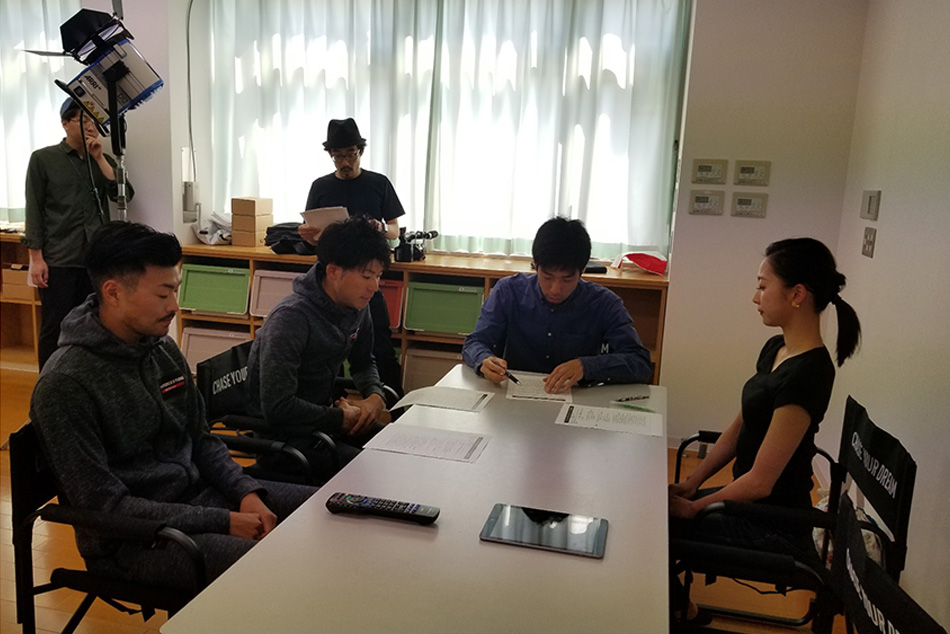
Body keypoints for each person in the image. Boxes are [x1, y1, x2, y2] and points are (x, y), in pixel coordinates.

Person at [29, 221, 316, 591]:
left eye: (175, 291)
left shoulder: (161, 348)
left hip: (200, 501)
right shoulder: (65, 383)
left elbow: (201, 439)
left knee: (323, 511)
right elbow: (104, 506)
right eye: (163, 294)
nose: (174, 307)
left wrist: (245, 492)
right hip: (134, 541)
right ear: (113, 293)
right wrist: (222, 521)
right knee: (283, 571)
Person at [667, 237, 862, 624]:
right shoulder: (777, 348)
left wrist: (696, 507)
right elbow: (741, 424)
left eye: (762, 285)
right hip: (747, 508)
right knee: (652, 514)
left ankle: (679, 613)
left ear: (797, 294)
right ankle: (681, 609)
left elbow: (760, 482)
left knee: (655, 528)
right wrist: (692, 483)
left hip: (774, 524)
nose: (755, 297)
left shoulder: (809, 373)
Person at [247, 217, 392, 481]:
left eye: (378, 276)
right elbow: (278, 406)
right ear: (334, 271)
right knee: (374, 471)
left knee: (400, 451)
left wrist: (374, 395)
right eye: (366, 276)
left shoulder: (357, 305)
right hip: (286, 443)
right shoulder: (291, 318)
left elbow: (363, 362)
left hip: (324, 425)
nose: (374, 287)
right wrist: (339, 418)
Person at [462, 217, 654, 393]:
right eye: (547, 277)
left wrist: (586, 366)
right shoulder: (508, 292)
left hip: (577, 399)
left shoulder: (604, 303)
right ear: (535, 265)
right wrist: (484, 360)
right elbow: (474, 342)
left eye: (567, 279)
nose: (555, 289)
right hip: (515, 396)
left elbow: (640, 362)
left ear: (582, 270)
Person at [22, 98, 134, 370]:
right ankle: (49, 382)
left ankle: (87, 377)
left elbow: (124, 194)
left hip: (96, 258)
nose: (90, 127)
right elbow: (34, 209)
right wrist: (36, 258)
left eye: (94, 121)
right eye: (83, 120)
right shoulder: (43, 159)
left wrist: (99, 158)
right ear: (65, 123)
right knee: (55, 325)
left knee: (95, 323)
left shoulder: (101, 159)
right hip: (59, 257)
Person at [298, 117, 405, 395]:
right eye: (338, 156)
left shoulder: (378, 183)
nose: (345, 162)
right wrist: (308, 236)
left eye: (350, 155)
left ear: (361, 152)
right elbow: (314, 236)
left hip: (368, 275)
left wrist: (382, 228)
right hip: (331, 280)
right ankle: (334, 403)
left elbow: (395, 230)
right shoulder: (320, 186)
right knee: (327, 347)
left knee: (380, 342)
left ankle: (394, 404)